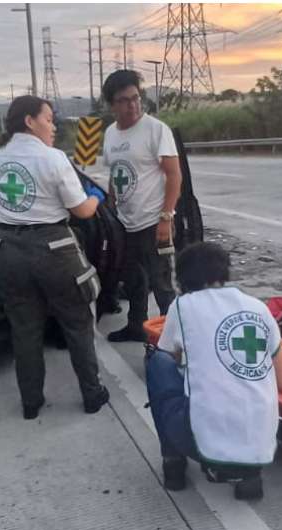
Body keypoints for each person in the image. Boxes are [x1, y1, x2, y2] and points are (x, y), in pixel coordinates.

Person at [0, 95, 109, 420]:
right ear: (30, 120)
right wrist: (96, 197)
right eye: (49, 119)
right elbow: (81, 211)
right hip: (52, 248)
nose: (54, 126)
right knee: (77, 323)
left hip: (8, 249)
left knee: (25, 331)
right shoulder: (53, 158)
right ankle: (92, 395)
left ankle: (31, 402)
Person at [146, 242, 282, 500]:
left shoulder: (182, 306)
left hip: (199, 439)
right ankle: (249, 474)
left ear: (182, 277)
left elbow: (171, 357)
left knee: (158, 363)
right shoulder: (259, 307)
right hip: (262, 441)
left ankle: (173, 463)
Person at [101, 70, 182, 342]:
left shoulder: (156, 129)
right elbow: (114, 174)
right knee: (134, 280)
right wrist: (111, 211)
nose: (132, 105)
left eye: (136, 98)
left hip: (153, 221)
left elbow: (174, 175)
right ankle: (137, 325)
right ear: (112, 105)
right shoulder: (111, 134)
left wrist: (166, 218)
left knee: (161, 283)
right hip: (125, 223)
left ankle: (173, 338)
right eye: (124, 100)